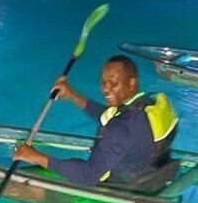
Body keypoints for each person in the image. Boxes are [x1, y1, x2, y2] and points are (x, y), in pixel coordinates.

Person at [11, 55, 180, 193]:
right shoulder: (146, 105)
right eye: (104, 83)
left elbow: (87, 176)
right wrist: (72, 96)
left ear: (131, 82)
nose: (106, 89)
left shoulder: (121, 128)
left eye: (113, 83)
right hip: (152, 178)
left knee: (22, 186)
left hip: (121, 191)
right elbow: (113, 119)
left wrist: (35, 156)